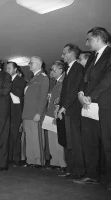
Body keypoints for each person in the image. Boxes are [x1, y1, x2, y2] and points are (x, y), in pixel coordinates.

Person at [74, 27, 111, 191]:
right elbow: (85, 78)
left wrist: (92, 96)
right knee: (89, 141)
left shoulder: (110, 54)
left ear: (98, 38)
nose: (86, 42)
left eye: (89, 39)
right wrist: (81, 93)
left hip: (104, 104)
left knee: (108, 142)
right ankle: (92, 175)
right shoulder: (92, 58)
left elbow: (108, 78)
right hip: (88, 105)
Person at [56, 43, 85, 180]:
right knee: (67, 140)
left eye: (64, 53)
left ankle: (78, 171)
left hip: (72, 110)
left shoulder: (77, 68)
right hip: (66, 110)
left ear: (72, 53)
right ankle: (70, 169)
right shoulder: (70, 69)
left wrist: (64, 107)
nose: (62, 56)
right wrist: (60, 106)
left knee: (74, 141)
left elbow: (73, 90)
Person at [22, 56, 49, 167]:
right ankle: (30, 160)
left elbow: (43, 98)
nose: (29, 65)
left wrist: (39, 113)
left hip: (35, 113)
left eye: (31, 63)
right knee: (29, 138)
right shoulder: (33, 78)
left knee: (37, 138)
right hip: (27, 113)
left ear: (38, 64)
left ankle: (38, 161)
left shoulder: (43, 77)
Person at [43, 61, 66, 169]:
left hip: (57, 114)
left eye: (53, 69)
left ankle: (62, 163)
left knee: (59, 140)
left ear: (61, 70)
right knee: (52, 140)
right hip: (49, 113)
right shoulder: (54, 82)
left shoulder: (64, 81)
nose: (51, 71)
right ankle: (54, 162)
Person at [6, 62, 26, 166]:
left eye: (9, 68)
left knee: (16, 136)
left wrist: (8, 86)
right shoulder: (6, 80)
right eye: (6, 68)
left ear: (15, 69)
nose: (7, 70)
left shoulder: (20, 80)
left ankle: (17, 159)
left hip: (17, 112)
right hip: (7, 111)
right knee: (8, 135)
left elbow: (19, 93)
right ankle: (9, 158)